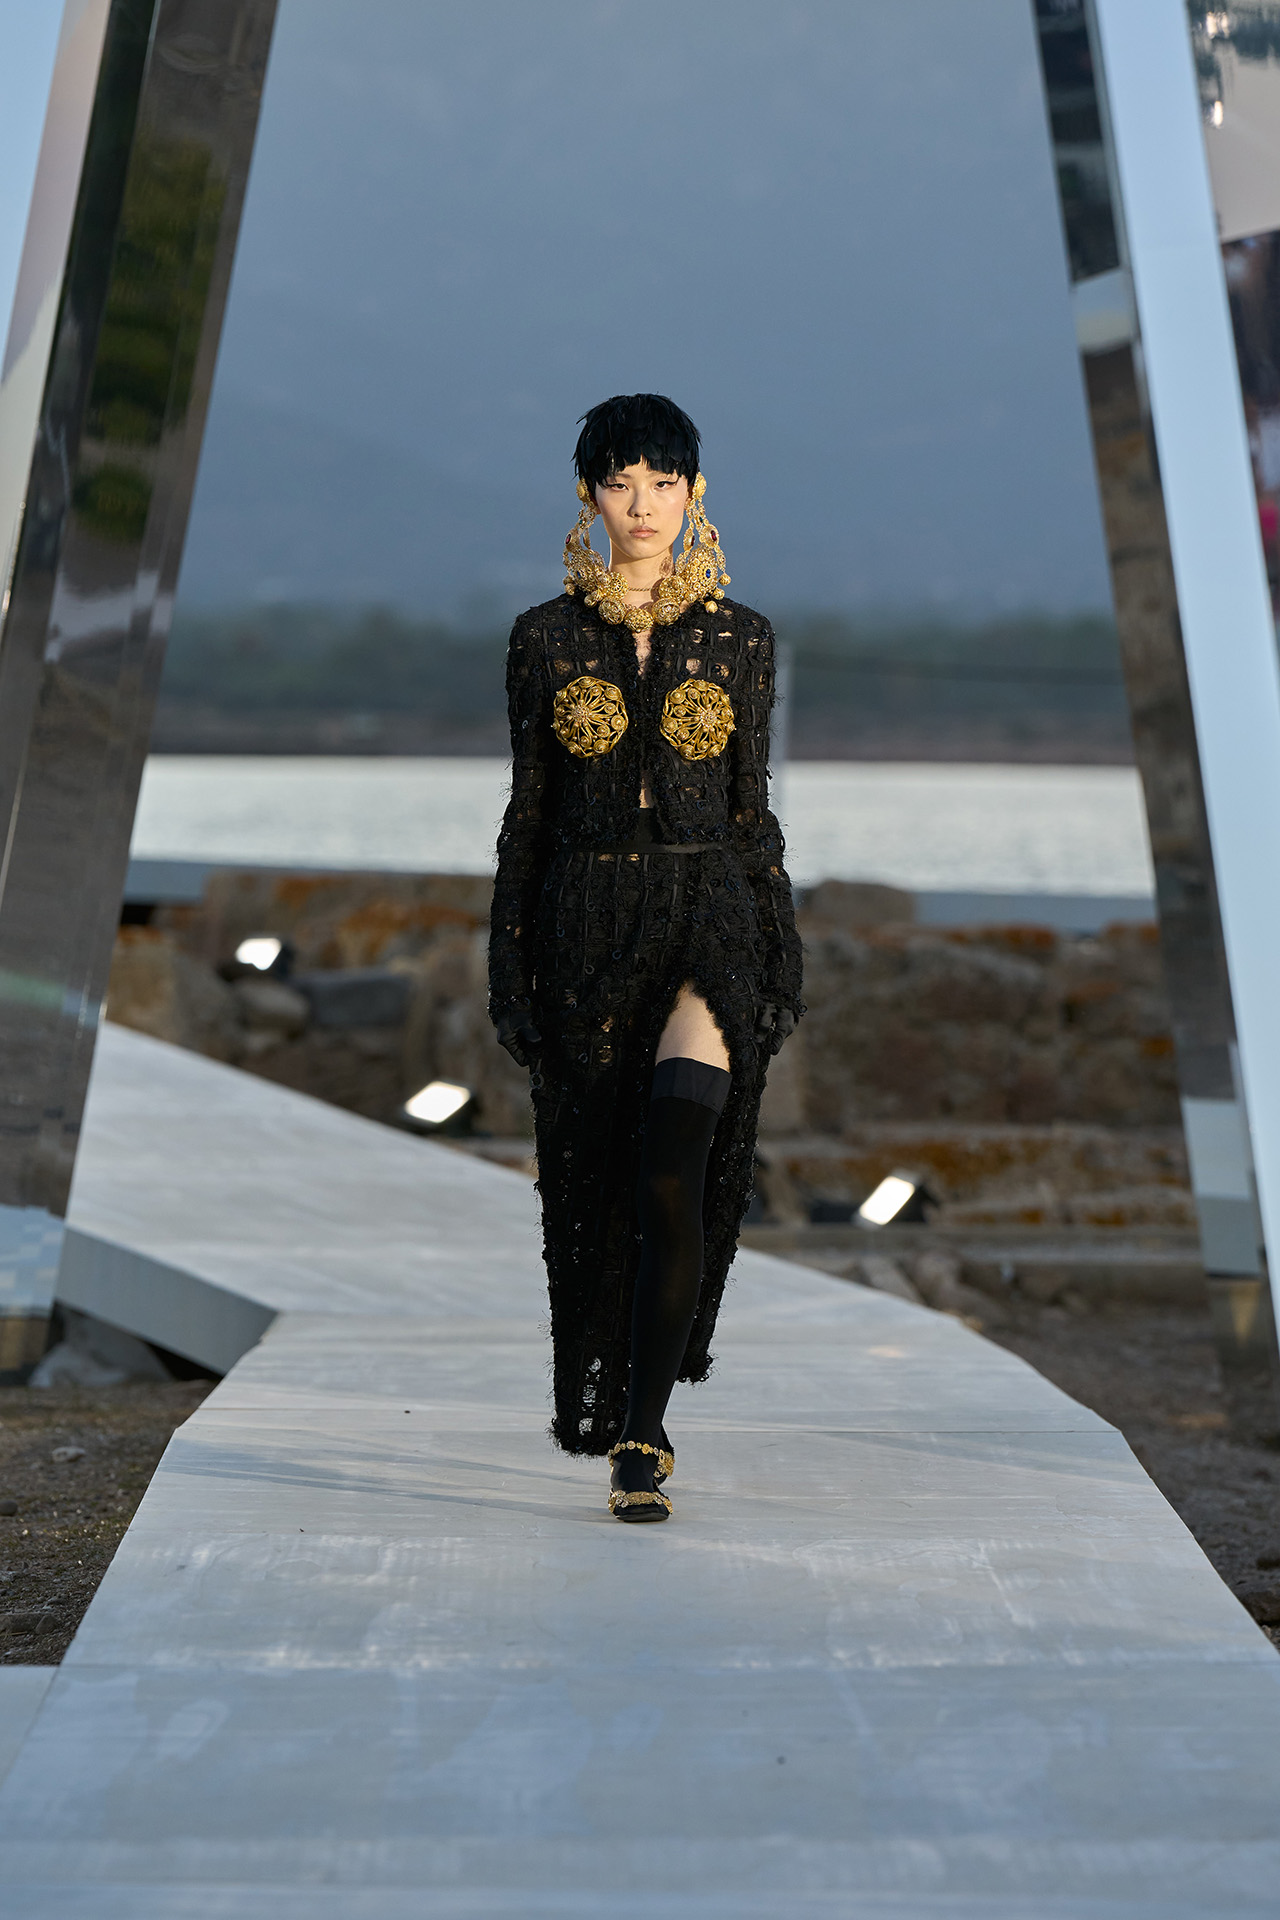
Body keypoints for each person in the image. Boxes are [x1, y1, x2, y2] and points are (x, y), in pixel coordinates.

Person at [488, 393, 803, 1521]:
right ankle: (618, 1391)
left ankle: (643, 1429)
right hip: (581, 926)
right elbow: (529, 815)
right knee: (596, 1183)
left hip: (706, 921)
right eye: (620, 482)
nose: (642, 505)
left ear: (694, 493)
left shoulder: (740, 637)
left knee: (675, 1162)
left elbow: (750, 814)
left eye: (662, 483)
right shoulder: (542, 638)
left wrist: (779, 951)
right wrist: (507, 967)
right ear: (588, 494)